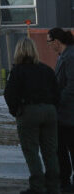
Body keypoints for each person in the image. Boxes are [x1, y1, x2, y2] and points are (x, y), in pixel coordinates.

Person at [5, 36, 61, 194]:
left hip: (29, 111)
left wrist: (15, 111)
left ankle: (37, 186)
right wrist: (52, 108)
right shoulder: (46, 70)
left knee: (31, 151)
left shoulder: (17, 71)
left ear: (18, 51)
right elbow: (57, 92)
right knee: (50, 151)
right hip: (49, 111)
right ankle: (54, 186)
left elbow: (9, 94)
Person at [50, 27, 74, 194]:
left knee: (66, 147)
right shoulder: (64, 56)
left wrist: (58, 100)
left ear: (57, 42)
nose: (48, 45)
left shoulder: (70, 57)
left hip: (68, 113)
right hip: (64, 112)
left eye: (48, 41)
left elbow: (72, 86)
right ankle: (64, 179)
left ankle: (65, 181)